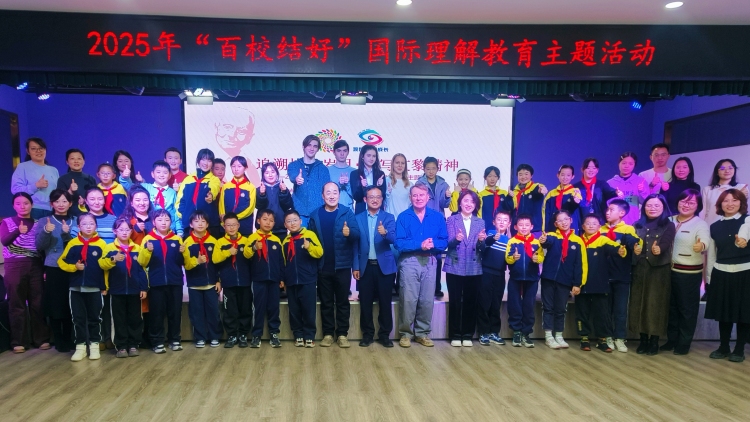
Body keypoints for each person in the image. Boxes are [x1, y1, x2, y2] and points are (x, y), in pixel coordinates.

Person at [395, 183, 448, 348]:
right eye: (415, 195)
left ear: (428, 197)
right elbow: (399, 243)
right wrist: (420, 244)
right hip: (409, 261)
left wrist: (433, 244)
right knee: (408, 299)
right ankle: (405, 334)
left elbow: (444, 240)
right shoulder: (403, 217)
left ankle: (422, 333)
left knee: (426, 300)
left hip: (431, 261)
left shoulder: (437, 217)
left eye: (421, 195)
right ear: (410, 197)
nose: (418, 198)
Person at [308, 182, 360, 348]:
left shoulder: (347, 212)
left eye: (335, 192)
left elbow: (357, 235)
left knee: (343, 302)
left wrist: (349, 233)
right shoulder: (315, 215)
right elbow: (311, 240)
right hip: (323, 267)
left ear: (339, 194)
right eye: (328, 193)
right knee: (326, 303)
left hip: (342, 267)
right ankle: (328, 334)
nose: (332, 196)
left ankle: (342, 334)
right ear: (322, 196)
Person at [661, 189, 710, 355]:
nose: (686, 205)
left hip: (688, 273)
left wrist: (701, 245)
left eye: (691, 202)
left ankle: (684, 343)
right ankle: (671, 340)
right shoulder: (669, 220)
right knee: (671, 308)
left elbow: (705, 240)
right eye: (683, 201)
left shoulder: (700, 224)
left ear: (698, 206)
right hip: (667, 271)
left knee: (687, 310)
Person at [1, 193, 49, 353]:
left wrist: (44, 269)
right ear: (13, 206)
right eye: (18, 203)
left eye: (26, 203)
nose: (22, 206)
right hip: (14, 266)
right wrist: (18, 231)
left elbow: (41, 247)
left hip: (35, 265)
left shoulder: (38, 223)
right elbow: (4, 241)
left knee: (38, 303)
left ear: (31, 205)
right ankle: (18, 342)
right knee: (17, 304)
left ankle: (41, 339)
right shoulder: (7, 222)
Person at [705, 189, 750, 362]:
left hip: (745, 272)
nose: (730, 204)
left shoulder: (747, 221)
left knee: (744, 312)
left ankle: (739, 349)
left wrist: (743, 242)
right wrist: (709, 279)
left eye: (734, 200)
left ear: (741, 203)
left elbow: (744, 236)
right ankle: (723, 347)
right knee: (723, 312)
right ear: (720, 204)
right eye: (726, 200)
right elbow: (712, 255)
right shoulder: (715, 226)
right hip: (721, 272)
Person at [630, 194, 676, 356]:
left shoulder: (668, 225)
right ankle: (643, 340)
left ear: (663, 207)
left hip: (659, 270)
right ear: (644, 208)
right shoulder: (637, 225)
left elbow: (666, 242)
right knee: (639, 303)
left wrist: (659, 249)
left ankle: (654, 341)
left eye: (657, 205)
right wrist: (633, 249)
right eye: (649, 205)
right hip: (639, 268)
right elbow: (631, 243)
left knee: (656, 305)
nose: (652, 208)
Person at [57, 213, 108, 361]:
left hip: (95, 288)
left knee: (95, 318)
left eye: (91, 224)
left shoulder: (102, 244)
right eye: (84, 224)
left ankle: (94, 345)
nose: (88, 227)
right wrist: (74, 267)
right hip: (76, 288)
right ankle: (80, 347)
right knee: (78, 318)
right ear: (78, 226)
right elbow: (61, 261)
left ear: (96, 226)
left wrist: (105, 286)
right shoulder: (73, 243)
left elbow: (106, 268)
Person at [352, 186, 397, 348]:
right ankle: (367, 335)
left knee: (385, 303)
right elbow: (355, 244)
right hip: (365, 267)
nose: (375, 199)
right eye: (371, 197)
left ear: (382, 199)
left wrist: (385, 233)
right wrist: (355, 267)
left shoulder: (389, 217)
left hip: (385, 267)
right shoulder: (357, 218)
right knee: (365, 303)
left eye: (378, 196)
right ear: (365, 199)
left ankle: (384, 335)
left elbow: (394, 239)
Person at [99, 218, 149, 358]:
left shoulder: (137, 248)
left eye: (127, 229)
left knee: (135, 319)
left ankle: (133, 345)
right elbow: (102, 264)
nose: (124, 232)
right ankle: (121, 346)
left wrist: (143, 288)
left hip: (134, 290)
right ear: (115, 231)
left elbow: (142, 269)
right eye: (121, 229)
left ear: (131, 231)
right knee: (118, 319)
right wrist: (113, 259)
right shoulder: (110, 248)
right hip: (116, 290)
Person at [538, 210, 587, 350]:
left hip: (565, 281)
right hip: (548, 278)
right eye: (560, 220)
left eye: (566, 219)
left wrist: (577, 283)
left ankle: (559, 335)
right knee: (548, 308)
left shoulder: (578, 241)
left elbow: (580, 264)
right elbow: (546, 242)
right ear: (556, 224)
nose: (563, 222)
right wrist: (543, 240)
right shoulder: (552, 236)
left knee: (561, 309)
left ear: (571, 220)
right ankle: (548, 336)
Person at [35, 189, 76, 353]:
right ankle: (59, 340)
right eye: (57, 201)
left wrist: (67, 235)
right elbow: (39, 246)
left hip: (73, 268)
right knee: (55, 305)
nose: (61, 204)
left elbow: (78, 246)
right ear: (51, 204)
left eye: (64, 201)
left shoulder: (76, 221)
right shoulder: (44, 221)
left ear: (70, 203)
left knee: (70, 304)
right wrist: (46, 231)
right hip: (54, 267)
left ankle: (69, 338)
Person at [138, 209, 185, 353]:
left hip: (175, 281)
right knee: (157, 313)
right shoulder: (148, 239)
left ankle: (174, 339)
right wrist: (147, 251)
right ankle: (157, 341)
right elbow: (142, 262)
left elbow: (182, 262)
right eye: (159, 220)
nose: (163, 223)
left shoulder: (177, 239)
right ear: (153, 222)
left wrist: (183, 253)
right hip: (156, 282)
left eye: (166, 220)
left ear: (171, 222)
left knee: (175, 312)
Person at [578, 213, 626, 353]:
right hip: (581, 284)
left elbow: (615, 248)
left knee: (602, 313)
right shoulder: (578, 241)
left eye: (594, 224)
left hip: (600, 284)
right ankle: (584, 339)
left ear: (599, 227)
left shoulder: (603, 240)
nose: (591, 226)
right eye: (588, 223)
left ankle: (602, 340)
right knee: (582, 313)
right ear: (583, 226)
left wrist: (621, 251)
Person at [444, 190, 485, 347]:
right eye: (466, 200)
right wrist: (456, 239)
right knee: (455, 302)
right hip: (455, 265)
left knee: (471, 301)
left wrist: (481, 241)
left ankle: (467, 334)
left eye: (472, 202)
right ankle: (455, 334)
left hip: (474, 266)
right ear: (460, 202)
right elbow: (448, 244)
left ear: (476, 205)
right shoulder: (451, 219)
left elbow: (482, 248)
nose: (469, 204)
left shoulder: (480, 222)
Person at [602, 199, 642, 353]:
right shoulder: (600, 229)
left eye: (611, 209)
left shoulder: (627, 229)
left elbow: (634, 241)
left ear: (622, 213)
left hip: (621, 276)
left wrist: (637, 246)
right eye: (607, 209)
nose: (607, 212)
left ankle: (620, 337)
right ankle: (607, 337)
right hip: (604, 276)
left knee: (620, 309)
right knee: (606, 309)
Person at [244, 209, 285, 348]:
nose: (268, 223)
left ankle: (274, 333)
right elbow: (246, 255)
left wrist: (281, 278)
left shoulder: (276, 240)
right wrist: (254, 248)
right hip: (258, 279)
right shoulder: (252, 238)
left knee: (274, 307)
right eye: (265, 219)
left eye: (271, 220)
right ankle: (256, 334)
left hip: (274, 280)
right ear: (258, 221)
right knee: (258, 307)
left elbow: (281, 261)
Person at [282, 210, 323, 348]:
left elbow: (320, 252)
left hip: (308, 280)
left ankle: (309, 336)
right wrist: (284, 279)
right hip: (291, 281)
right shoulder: (285, 241)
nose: (292, 223)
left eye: (295, 220)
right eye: (289, 221)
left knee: (309, 310)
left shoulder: (309, 235)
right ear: (285, 225)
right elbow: (284, 261)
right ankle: (298, 335)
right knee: (294, 310)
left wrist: (309, 247)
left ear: (300, 221)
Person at [212, 213, 253, 348]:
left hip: (245, 282)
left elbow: (251, 258)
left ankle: (243, 334)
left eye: (234, 225)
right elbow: (215, 260)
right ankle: (232, 334)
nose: (231, 228)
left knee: (245, 309)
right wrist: (228, 252)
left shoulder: (246, 240)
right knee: (230, 310)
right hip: (228, 282)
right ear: (224, 226)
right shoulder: (220, 242)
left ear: (238, 225)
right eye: (228, 225)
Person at [182, 210, 221, 348]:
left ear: (208, 224)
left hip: (211, 283)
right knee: (196, 313)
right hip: (194, 284)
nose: (200, 224)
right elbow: (186, 265)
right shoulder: (187, 242)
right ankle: (200, 338)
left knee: (213, 311)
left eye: (203, 221)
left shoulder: (213, 241)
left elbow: (217, 264)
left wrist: (218, 280)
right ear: (191, 224)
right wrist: (197, 261)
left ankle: (215, 336)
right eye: (196, 221)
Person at [505, 214, 544, 348]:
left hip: (532, 279)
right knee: (514, 305)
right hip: (515, 278)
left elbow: (541, 257)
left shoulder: (536, 242)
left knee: (529, 306)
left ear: (531, 227)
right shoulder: (512, 241)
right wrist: (513, 258)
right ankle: (516, 332)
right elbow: (507, 258)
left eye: (527, 225)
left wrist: (537, 259)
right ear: (515, 227)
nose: (524, 227)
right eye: (521, 225)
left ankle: (526, 333)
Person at [416, 157, 450, 298]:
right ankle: (423, 287)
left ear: (438, 169)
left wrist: (447, 197)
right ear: (423, 169)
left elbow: (444, 204)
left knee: (437, 255)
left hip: (438, 221)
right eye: (428, 168)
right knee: (423, 252)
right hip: (423, 220)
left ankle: (436, 287)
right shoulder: (419, 183)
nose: (431, 171)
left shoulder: (443, 184)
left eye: (433, 168)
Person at [477, 210, 511, 346]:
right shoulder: (489, 234)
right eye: (499, 219)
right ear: (493, 222)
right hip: (486, 273)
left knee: (496, 304)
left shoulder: (510, 241)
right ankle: (483, 332)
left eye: (505, 220)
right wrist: (492, 239)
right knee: (484, 303)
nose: (502, 222)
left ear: (509, 223)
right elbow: (484, 246)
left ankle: (494, 332)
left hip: (500, 275)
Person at [176, 148, 222, 239]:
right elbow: (180, 200)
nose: (206, 163)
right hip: (189, 225)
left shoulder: (214, 179)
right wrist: (185, 215)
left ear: (212, 163)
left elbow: (214, 188)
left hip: (209, 225)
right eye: (203, 159)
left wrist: (211, 195)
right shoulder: (188, 179)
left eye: (209, 160)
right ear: (198, 160)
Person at [287, 135, 331, 227]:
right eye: (309, 145)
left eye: (315, 146)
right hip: (299, 212)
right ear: (303, 147)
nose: (312, 148)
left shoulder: (323, 169)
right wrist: (296, 179)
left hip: (318, 213)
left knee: (317, 237)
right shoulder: (294, 165)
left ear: (318, 149)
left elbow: (327, 189)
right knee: (300, 236)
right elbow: (292, 176)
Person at [211, 105, 261, 186]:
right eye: (228, 127)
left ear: (249, 137)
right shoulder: (209, 160)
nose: (232, 135)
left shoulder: (249, 164)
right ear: (216, 127)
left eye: (241, 131)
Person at [11, 138, 59, 219]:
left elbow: (57, 192)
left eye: (41, 148)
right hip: (33, 209)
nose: (38, 151)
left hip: (52, 210)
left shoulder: (53, 170)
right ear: (28, 151)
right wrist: (36, 185)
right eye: (33, 149)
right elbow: (15, 190)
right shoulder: (22, 167)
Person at [140, 160, 182, 236]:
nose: (162, 175)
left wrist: (179, 231)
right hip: (151, 229)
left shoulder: (172, 192)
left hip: (169, 230)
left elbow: (176, 212)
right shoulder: (146, 187)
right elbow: (130, 188)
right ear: (152, 174)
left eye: (165, 173)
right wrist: (125, 178)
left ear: (169, 175)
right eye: (158, 172)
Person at [702, 158, 749, 225]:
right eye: (722, 168)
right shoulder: (708, 189)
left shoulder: (741, 187)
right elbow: (703, 211)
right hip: (710, 224)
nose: (727, 171)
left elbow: (742, 208)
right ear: (717, 172)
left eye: (730, 168)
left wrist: (739, 194)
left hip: (733, 225)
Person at [574, 158, 622, 224]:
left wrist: (615, 192)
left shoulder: (601, 184)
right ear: (582, 169)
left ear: (597, 170)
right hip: (582, 221)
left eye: (594, 168)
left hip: (600, 221)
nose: (591, 170)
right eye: (588, 168)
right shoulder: (576, 187)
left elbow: (609, 192)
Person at [607, 152, 649, 225]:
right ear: (619, 164)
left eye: (630, 164)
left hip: (633, 223)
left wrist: (642, 191)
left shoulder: (640, 181)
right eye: (624, 163)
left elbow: (646, 203)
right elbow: (607, 204)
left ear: (634, 165)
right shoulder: (610, 183)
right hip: (614, 224)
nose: (626, 166)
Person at [219, 156, 256, 236]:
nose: (236, 169)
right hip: (228, 226)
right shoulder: (226, 186)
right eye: (233, 166)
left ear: (245, 168)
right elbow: (221, 205)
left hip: (244, 225)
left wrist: (233, 219)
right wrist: (224, 219)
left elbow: (250, 208)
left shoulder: (251, 187)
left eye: (239, 166)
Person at [256, 162, 294, 240]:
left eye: (273, 172)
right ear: (263, 175)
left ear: (277, 173)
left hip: (281, 228)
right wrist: (262, 194)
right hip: (264, 229)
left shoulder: (282, 187)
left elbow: (288, 205)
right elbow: (258, 206)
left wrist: (284, 192)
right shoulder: (260, 189)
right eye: (267, 173)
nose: (270, 175)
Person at [509, 164, 547, 236]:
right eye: (520, 174)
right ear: (517, 176)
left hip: (534, 229)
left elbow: (538, 190)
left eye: (526, 174)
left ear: (531, 175)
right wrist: (508, 197)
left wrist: (541, 190)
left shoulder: (535, 187)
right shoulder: (514, 192)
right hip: (517, 230)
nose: (523, 177)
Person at [56, 148, 98, 216]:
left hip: (89, 215)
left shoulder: (91, 178)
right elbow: (58, 200)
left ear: (84, 161)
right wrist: (70, 191)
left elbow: (96, 196)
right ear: (67, 162)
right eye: (72, 159)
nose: (76, 161)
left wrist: (86, 200)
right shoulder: (62, 179)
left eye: (79, 158)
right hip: (69, 215)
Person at [542, 164, 582, 233]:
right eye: (562, 175)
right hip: (554, 228)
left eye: (568, 175)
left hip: (570, 228)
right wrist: (545, 229)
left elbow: (576, 203)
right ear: (558, 175)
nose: (565, 177)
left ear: (572, 177)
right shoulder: (551, 194)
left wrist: (575, 200)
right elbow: (546, 213)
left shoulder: (575, 191)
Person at [350, 145, 387, 215]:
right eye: (369, 155)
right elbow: (356, 197)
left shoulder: (380, 174)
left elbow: (383, 197)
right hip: (361, 212)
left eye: (374, 156)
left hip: (378, 212)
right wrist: (362, 187)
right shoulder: (355, 174)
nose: (371, 158)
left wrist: (379, 186)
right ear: (362, 156)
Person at [477, 166, 509, 231]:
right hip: (487, 226)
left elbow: (508, 210)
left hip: (502, 227)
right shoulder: (481, 194)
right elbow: (479, 212)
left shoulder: (504, 193)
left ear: (498, 178)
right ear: (485, 177)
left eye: (495, 176)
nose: (492, 179)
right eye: (489, 176)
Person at [327, 140, 356, 210]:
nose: (342, 153)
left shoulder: (354, 171)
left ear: (348, 152)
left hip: (349, 210)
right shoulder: (327, 170)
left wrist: (347, 184)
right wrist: (338, 184)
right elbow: (325, 193)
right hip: (331, 210)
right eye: (339, 151)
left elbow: (356, 196)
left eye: (344, 151)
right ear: (334, 152)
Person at [385, 153, 413, 220]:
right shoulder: (386, 181)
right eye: (397, 163)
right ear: (393, 164)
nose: (400, 165)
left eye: (402, 163)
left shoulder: (410, 184)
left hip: (405, 220)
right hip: (390, 220)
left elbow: (411, 205)